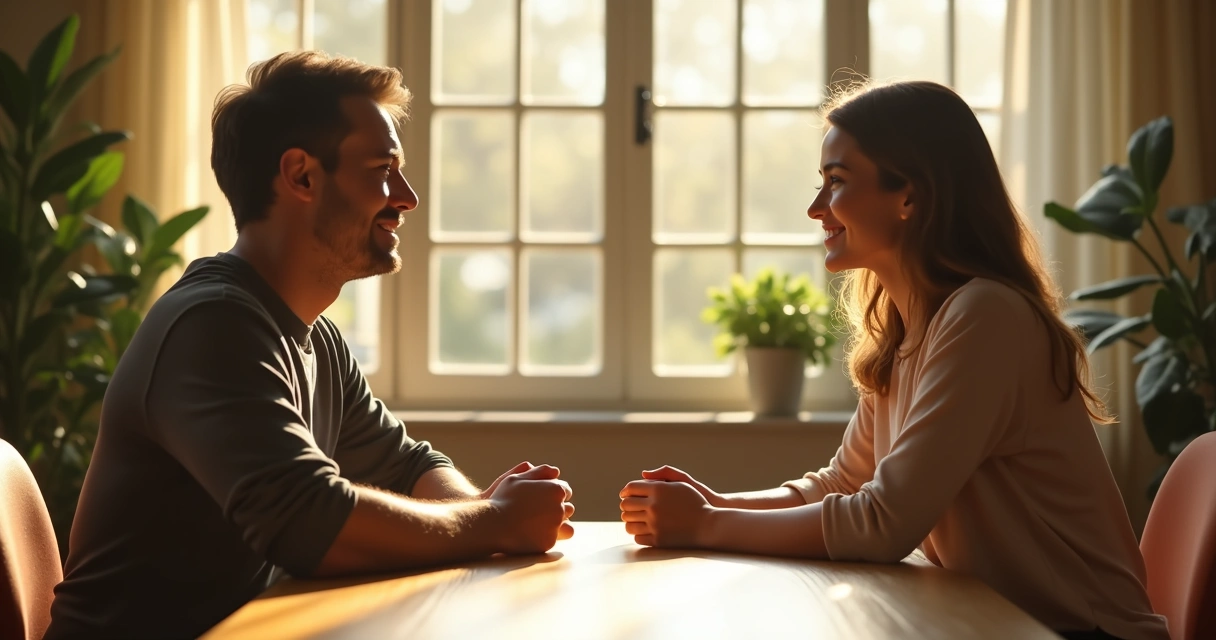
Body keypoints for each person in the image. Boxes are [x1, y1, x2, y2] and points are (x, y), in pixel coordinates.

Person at [47, 51, 575, 639]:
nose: (407, 197)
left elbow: (407, 467)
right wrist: (493, 522)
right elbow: (305, 522)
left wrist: (483, 515)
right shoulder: (211, 325)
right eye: (383, 169)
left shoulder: (314, 335)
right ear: (301, 175)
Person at [619, 81, 1169, 640]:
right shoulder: (908, 329)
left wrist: (708, 525)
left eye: (836, 182)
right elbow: (843, 483)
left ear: (910, 196)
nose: (816, 209)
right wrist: (717, 503)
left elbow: (882, 523)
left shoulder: (986, 316)